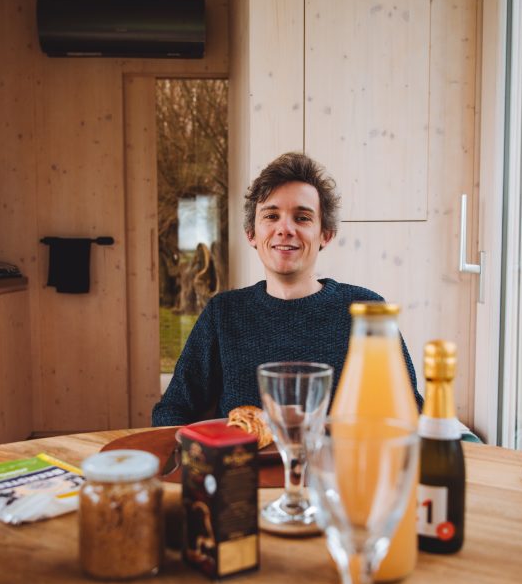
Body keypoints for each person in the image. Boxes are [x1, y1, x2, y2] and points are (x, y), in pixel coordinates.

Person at [152, 152, 422, 426]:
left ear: (325, 235)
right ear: (251, 234)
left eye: (302, 218)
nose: (285, 229)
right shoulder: (223, 313)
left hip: (338, 467)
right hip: (241, 467)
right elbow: (172, 410)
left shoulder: (367, 311)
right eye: (271, 215)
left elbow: (409, 411)